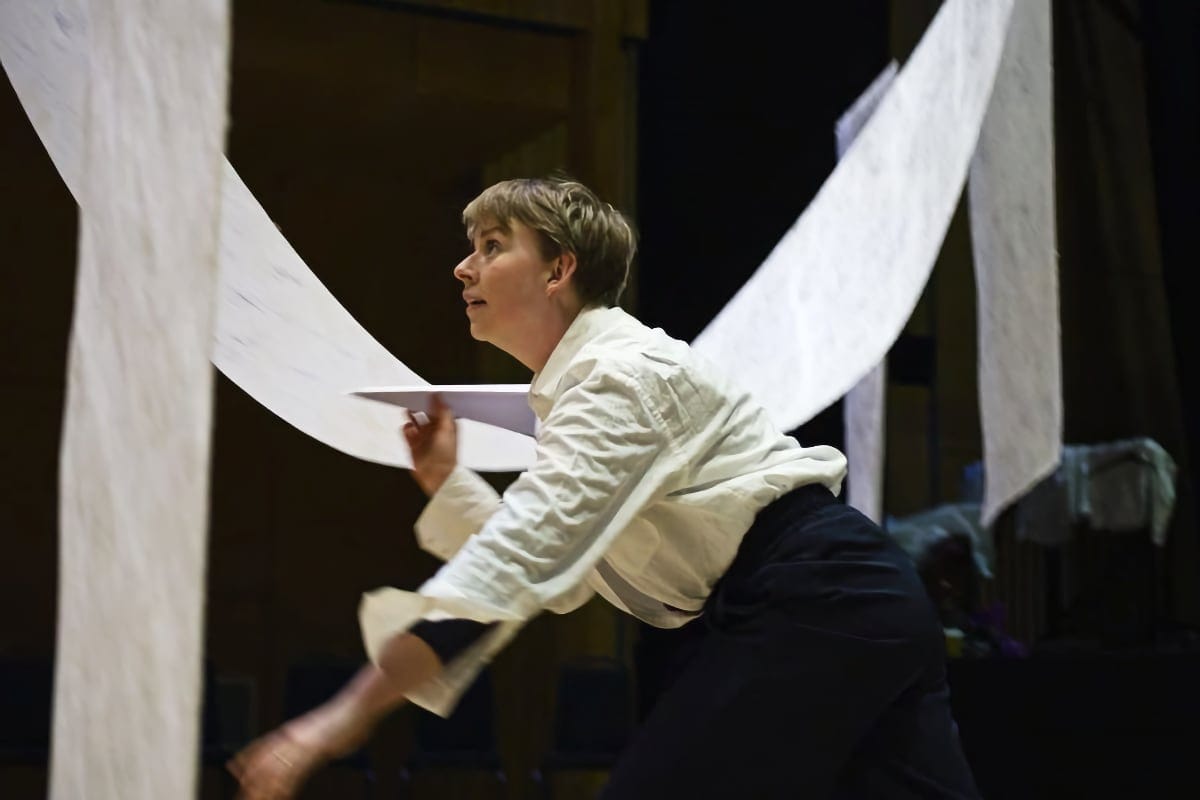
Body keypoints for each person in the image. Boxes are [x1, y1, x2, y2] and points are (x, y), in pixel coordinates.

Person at [229, 177, 980, 799]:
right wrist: (446, 482)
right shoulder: (582, 394)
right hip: (848, 601)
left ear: (558, 271)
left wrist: (340, 719)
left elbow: (522, 562)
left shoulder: (617, 379)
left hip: (820, 599)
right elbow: (565, 577)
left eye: (492, 248)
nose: (463, 268)